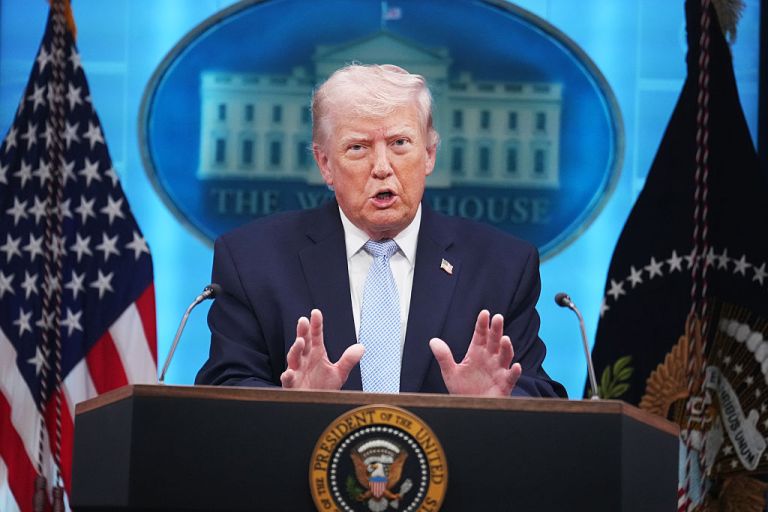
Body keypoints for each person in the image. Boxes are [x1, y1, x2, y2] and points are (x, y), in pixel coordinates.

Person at [196, 64, 566, 398]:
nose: (382, 168)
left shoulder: (502, 266)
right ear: (325, 164)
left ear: (430, 154)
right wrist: (292, 403)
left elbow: (539, 392)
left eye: (399, 144)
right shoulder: (253, 261)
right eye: (358, 147)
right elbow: (223, 386)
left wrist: (493, 406)